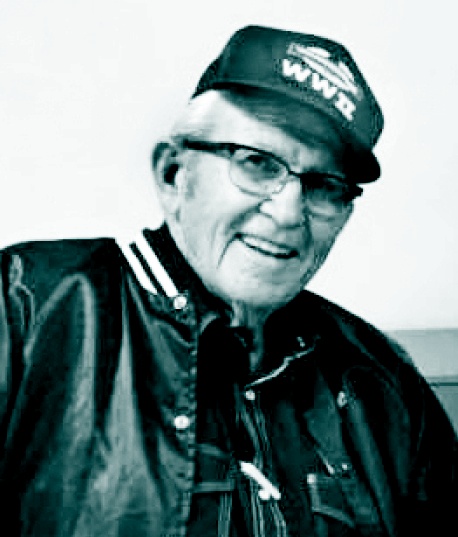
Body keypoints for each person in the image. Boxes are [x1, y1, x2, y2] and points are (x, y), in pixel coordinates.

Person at [0, 24, 456, 537]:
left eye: (324, 185)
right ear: (173, 174)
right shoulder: (25, 308)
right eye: (257, 163)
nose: (289, 213)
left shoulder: (384, 381)